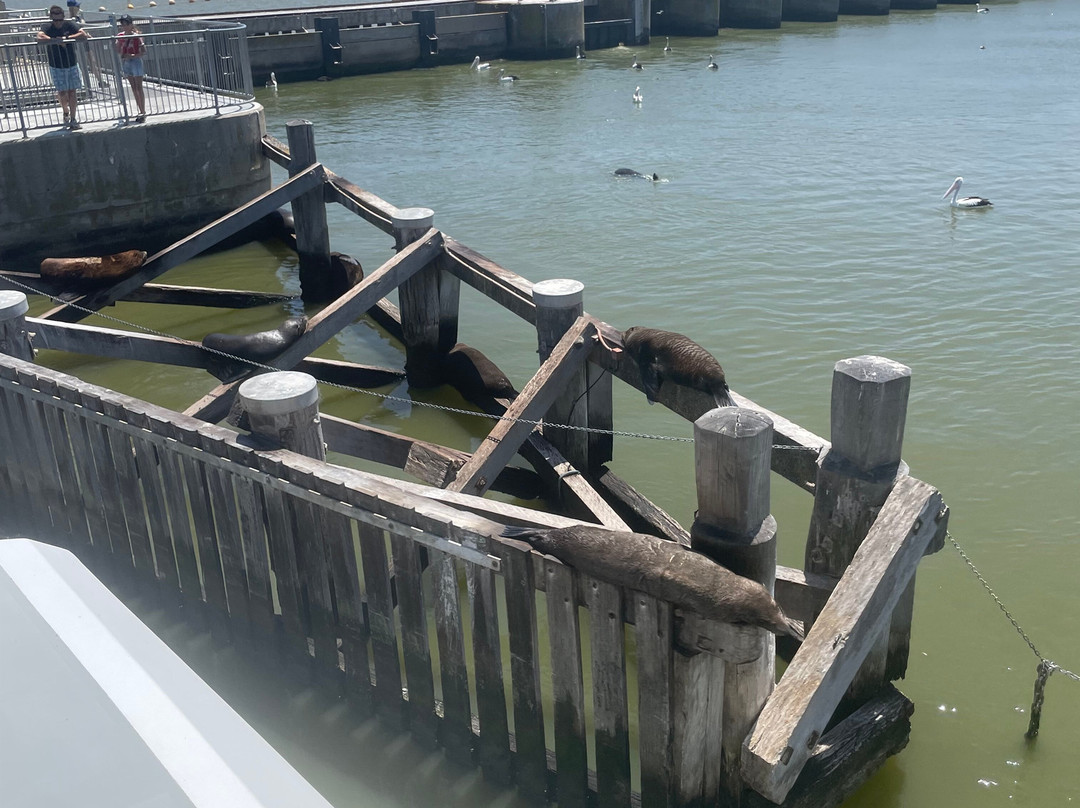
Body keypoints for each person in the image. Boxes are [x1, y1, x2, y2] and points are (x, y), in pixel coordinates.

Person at [37, 4, 88, 129]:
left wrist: (66, 38)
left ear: (63, 17)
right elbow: (39, 36)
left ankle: (73, 118)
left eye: (60, 20)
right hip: (56, 65)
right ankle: (65, 111)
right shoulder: (47, 27)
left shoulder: (69, 25)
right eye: (55, 20)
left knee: (72, 91)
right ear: (51, 18)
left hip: (71, 63)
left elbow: (82, 34)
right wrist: (55, 40)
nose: (58, 22)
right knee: (62, 92)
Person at [115, 15, 146, 122]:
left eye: (126, 24)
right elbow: (118, 50)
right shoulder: (120, 36)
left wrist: (133, 56)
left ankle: (143, 112)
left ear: (131, 24)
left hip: (136, 61)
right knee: (133, 88)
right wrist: (118, 44)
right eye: (122, 24)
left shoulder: (136, 36)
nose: (124, 26)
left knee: (139, 87)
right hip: (126, 62)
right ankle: (140, 110)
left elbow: (143, 51)